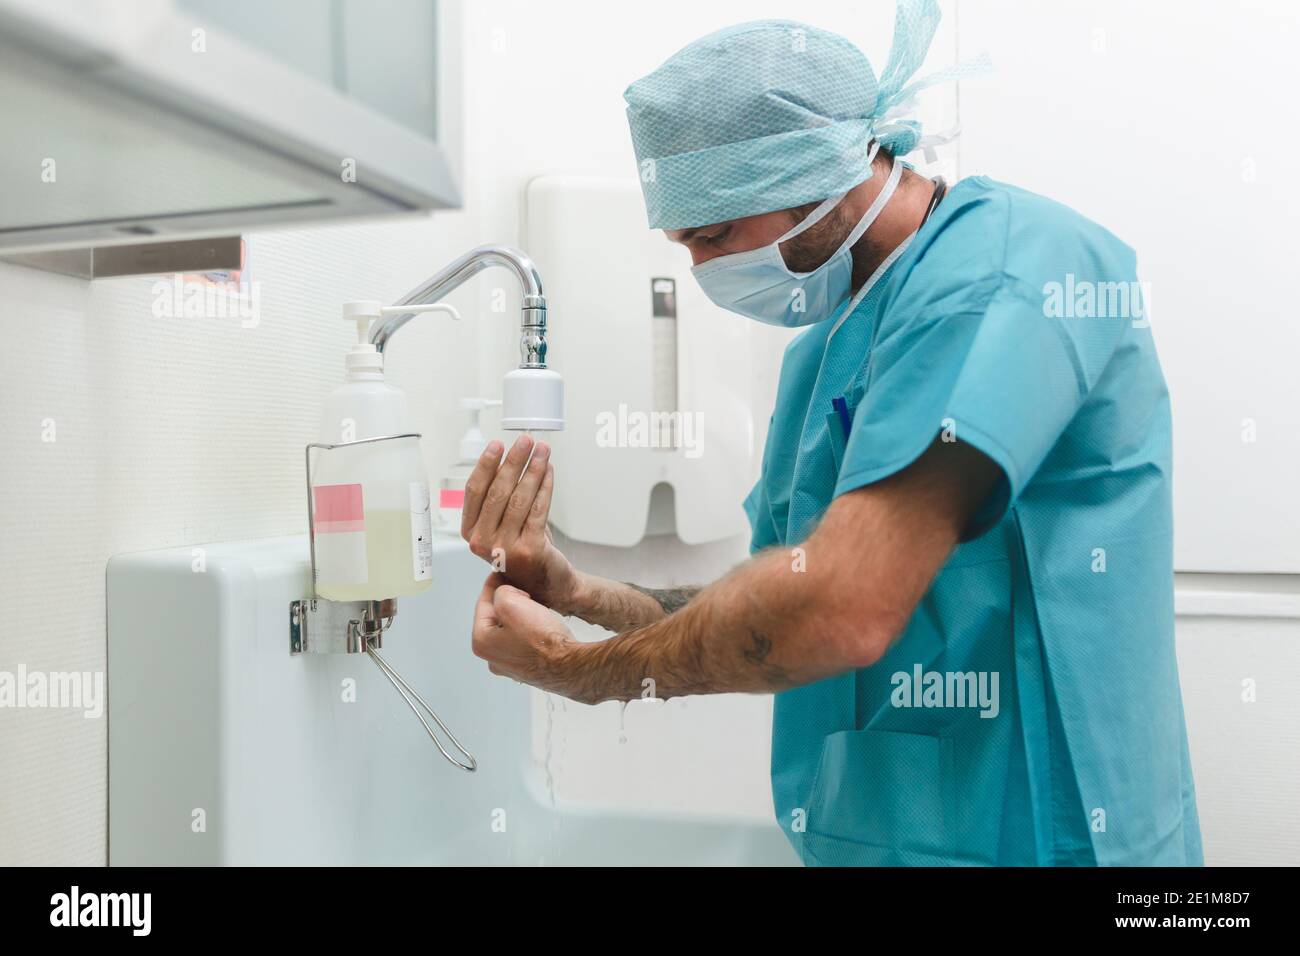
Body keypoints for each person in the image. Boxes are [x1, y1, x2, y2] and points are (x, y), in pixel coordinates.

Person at [461, 0, 1203, 866]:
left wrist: (580, 674)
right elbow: (766, 595)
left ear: (815, 172)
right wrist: (581, 594)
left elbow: (841, 607)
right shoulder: (829, 347)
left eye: (717, 234)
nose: (704, 269)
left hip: (1047, 831)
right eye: (684, 243)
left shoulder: (1005, 277)